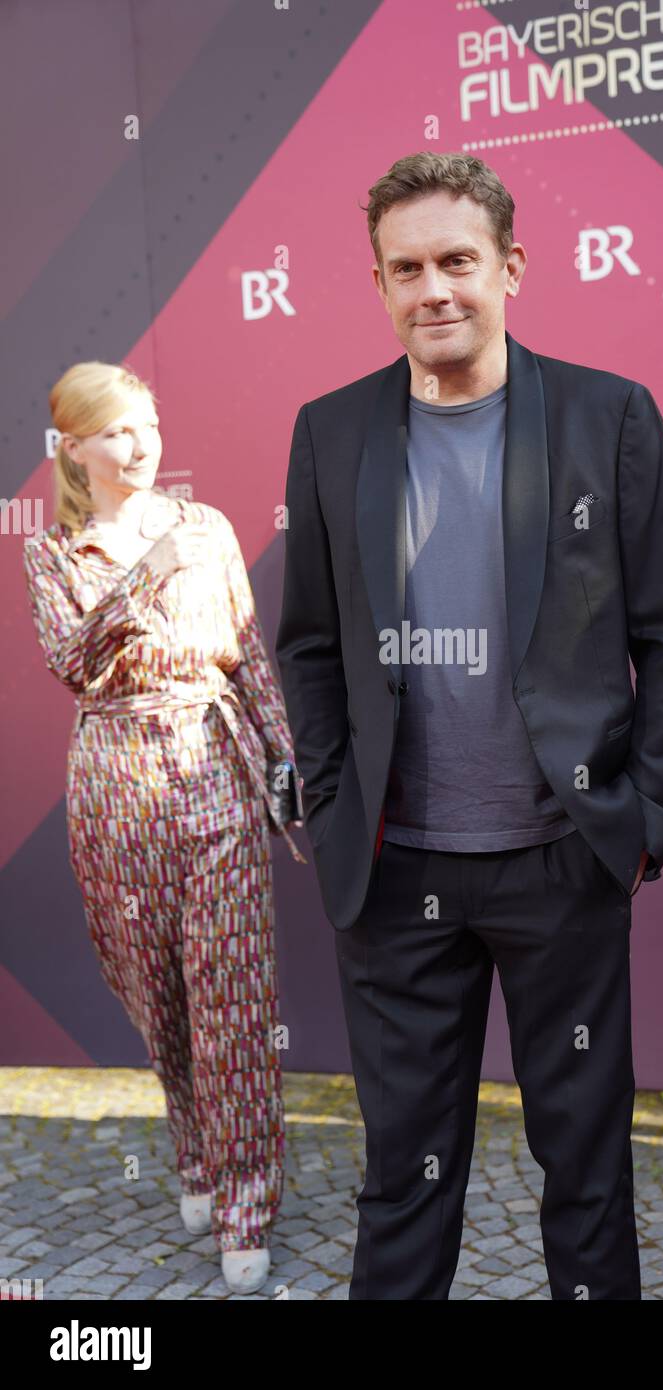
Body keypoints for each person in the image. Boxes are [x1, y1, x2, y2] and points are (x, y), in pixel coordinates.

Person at [276, 152, 663, 1299]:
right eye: (405, 267)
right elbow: (310, 647)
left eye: (456, 261)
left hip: (559, 863)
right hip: (393, 871)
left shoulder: (607, 417)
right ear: (377, 285)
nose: (434, 289)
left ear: (510, 266)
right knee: (401, 1177)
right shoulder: (329, 434)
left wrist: (645, 820)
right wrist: (332, 811)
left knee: (583, 1164)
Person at [22, 360, 305, 1296]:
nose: (141, 445)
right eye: (117, 432)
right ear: (75, 449)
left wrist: (280, 759)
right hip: (116, 783)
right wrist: (144, 573)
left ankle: (244, 1203)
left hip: (212, 763)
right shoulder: (53, 555)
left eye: (148, 425)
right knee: (158, 994)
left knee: (231, 996)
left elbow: (247, 652)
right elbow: (71, 658)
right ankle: (194, 1149)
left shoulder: (208, 528)